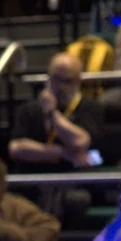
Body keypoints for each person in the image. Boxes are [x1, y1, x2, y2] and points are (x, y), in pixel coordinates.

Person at [8, 52, 106, 228]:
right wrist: (62, 152)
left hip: (73, 180)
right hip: (33, 178)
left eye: (66, 81)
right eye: (55, 79)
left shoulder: (91, 108)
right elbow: (16, 148)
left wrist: (53, 114)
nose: (59, 86)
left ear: (77, 81)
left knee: (76, 200)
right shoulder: (29, 109)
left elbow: (80, 142)